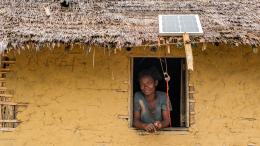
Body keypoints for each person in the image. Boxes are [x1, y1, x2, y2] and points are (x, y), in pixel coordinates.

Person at [133, 67, 172, 132]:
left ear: (155, 83)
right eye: (142, 84)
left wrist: (160, 124)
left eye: (149, 83)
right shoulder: (138, 96)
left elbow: (167, 120)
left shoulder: (163, 96)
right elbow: (135, 120)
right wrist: (144, 126)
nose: (145, 87)